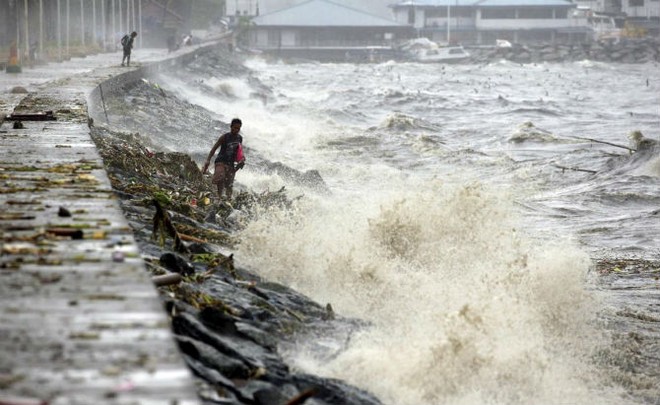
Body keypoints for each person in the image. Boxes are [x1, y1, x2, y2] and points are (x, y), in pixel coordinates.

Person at [202, 118, 246, 200]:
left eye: (238, 128)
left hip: (231, 163)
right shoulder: (224, 137)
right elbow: (214, 149)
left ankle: (228, 200)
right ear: (231, 126)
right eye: (235, 128)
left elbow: (239, 151)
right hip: (221, 161)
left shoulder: (239, 138)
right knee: (220, 177)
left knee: (229, 184)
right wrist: (208, 160)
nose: (236, 130)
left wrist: (242, 159)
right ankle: (219, 196)